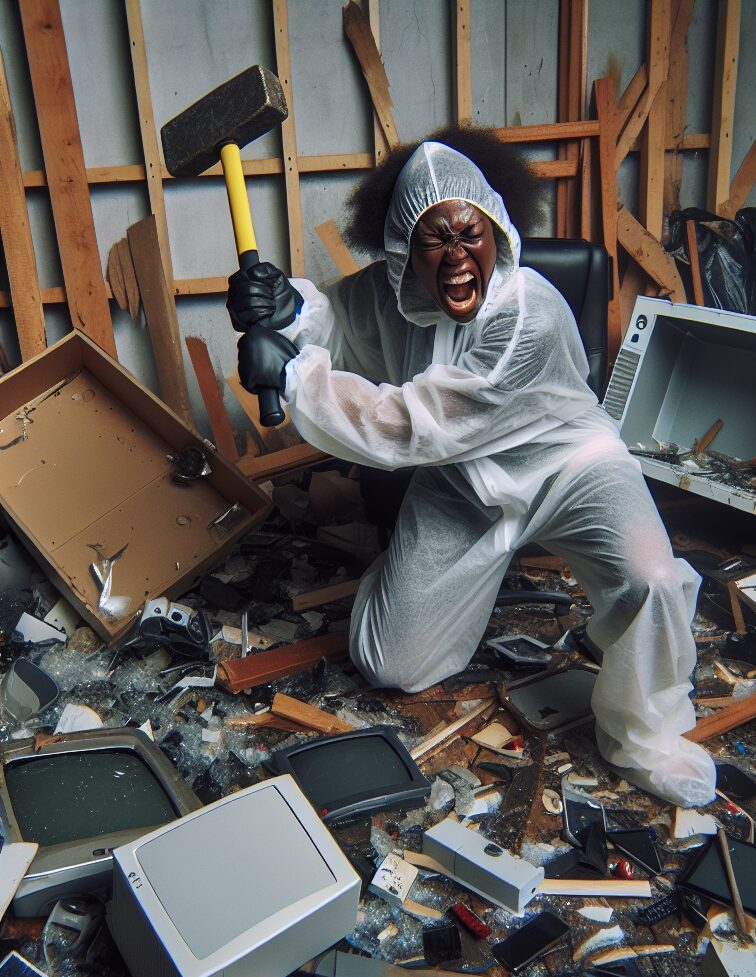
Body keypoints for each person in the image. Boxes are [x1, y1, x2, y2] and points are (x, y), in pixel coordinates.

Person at [228, 129, 717, 808]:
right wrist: (290, 307)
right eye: (436, 238)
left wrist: (295, 372)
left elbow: (410, 427)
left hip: (572, 467)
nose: (458, 256)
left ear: (497, 232)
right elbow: (340, 317)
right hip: (464, 482)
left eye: (471, 234)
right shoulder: (395, 293)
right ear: (406, 249)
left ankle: (648, 736)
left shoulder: (530, 316)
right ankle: (406, 573)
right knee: (390, 663)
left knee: (654, 582)